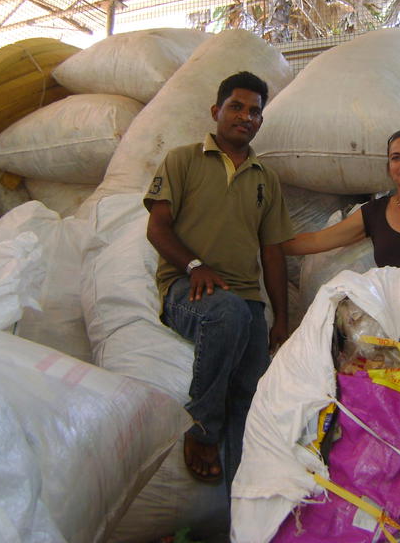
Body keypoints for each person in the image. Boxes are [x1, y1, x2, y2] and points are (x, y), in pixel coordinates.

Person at [144, 71, 293, 490]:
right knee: (226, 313)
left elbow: (273, 251)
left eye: (254, 112)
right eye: (236, 107)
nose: (245, 117)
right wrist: (195, 266)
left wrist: (280, 319)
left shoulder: (266, 177)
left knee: (252, 391)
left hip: (246, 300)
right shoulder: (183, 159)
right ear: (216, 111)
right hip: (185, 290)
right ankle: (203, 429)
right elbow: (157, 229)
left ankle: (242, 510)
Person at [283, 127, 400, 265]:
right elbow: (318, 240)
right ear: (389, 168)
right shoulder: (374, 213)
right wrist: (267, 244)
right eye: (396, 158)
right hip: (392, 309)